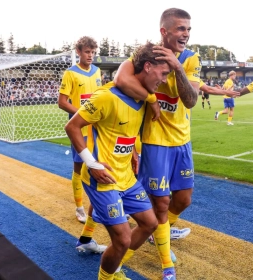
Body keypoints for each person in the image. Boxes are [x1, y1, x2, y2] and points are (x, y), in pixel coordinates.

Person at [65, 42, 171, 280]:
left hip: (126, 177)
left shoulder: (143, 99)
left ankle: (114, 267)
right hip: (101, 178)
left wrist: (133, 151)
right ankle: (106, 277)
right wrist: (92, 164)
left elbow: (124, 133)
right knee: (122, 239)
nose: (164, 80)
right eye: (163, 73)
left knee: (150, 223)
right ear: (147, 67)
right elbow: (72, 127)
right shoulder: (106, 97)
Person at [114, 8, 200, 280]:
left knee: (183, 200)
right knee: (161, 203)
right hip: (155, 141)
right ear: (164, 31)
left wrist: (177, 67)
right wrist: (151, 100)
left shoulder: (191, 58)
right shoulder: (146, 54)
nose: (185, 34)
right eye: (180, 29)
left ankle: (160, 233)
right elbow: (121, 78)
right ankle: (165, 259)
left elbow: (190, 100)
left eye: (188, 29)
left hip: (182, 140)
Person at [58, 36, 105, 253]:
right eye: (87, 51)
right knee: (79, 169)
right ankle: (79, 207)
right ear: (78, 51)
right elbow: (62, 102)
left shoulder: (96, 72)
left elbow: (100, 97)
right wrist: (82, 114)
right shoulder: (70, 73)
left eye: (93, 51)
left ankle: (99, 206)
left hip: (95, 130)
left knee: (98, 167)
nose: (90, 55)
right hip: (79, 129)